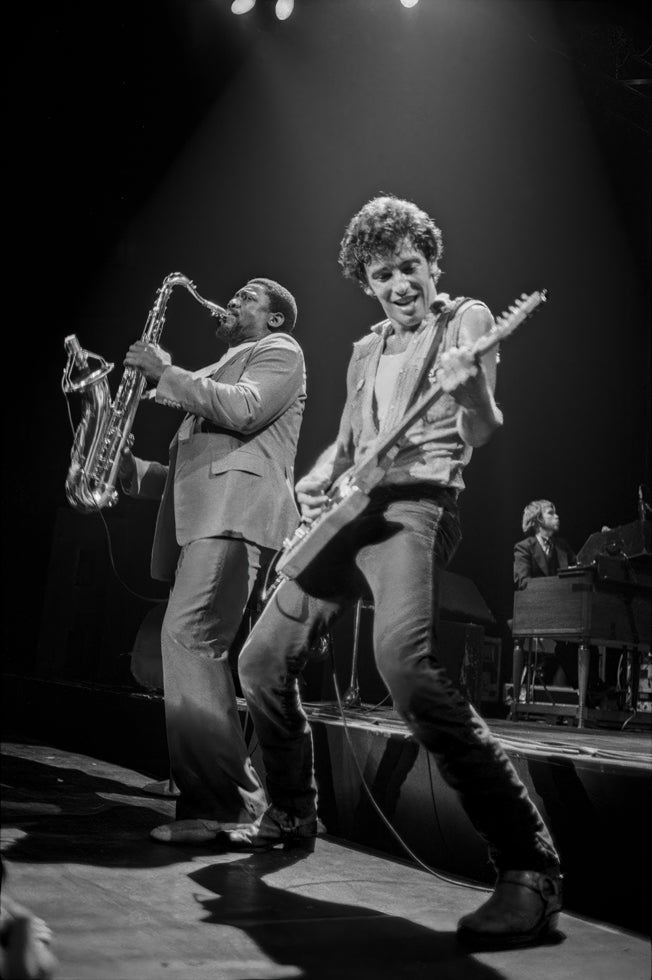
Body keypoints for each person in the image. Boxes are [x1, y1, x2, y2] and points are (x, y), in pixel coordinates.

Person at [232, 195, 562, 951]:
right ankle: (290, 809)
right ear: (366, 280)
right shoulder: (361, 351)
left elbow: (480, 428)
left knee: (402, 664)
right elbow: (348, 451)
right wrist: (316, 480)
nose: (399, 282)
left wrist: (469, 383)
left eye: (410, 266)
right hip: (355, 510)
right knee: (259, 661)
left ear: (430, 263)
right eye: (383, 273)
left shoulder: (468, 319)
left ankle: (529, 869)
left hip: (420, 506)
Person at [119, 277, 306, 843]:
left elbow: (245, 412)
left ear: (275, 318)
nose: (235, 299)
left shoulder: (279, 351)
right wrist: (128, 470)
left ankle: (224, 805)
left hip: (236, 517)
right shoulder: (222, 367)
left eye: (251, 295)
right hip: (206, 520)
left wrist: (167, 373)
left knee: (189, 636)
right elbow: (187, 472)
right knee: (189, 642)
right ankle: (211, 794)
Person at [513, 500, 578, 687]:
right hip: (536, 612)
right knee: (569, 643)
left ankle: (586, 692)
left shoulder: (563, 547)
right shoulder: (524, 547)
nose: (556, 516)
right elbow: (523, 583)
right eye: (551, 513)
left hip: (562, 615)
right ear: (538, 520)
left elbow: (579, 569)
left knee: (581, 639)